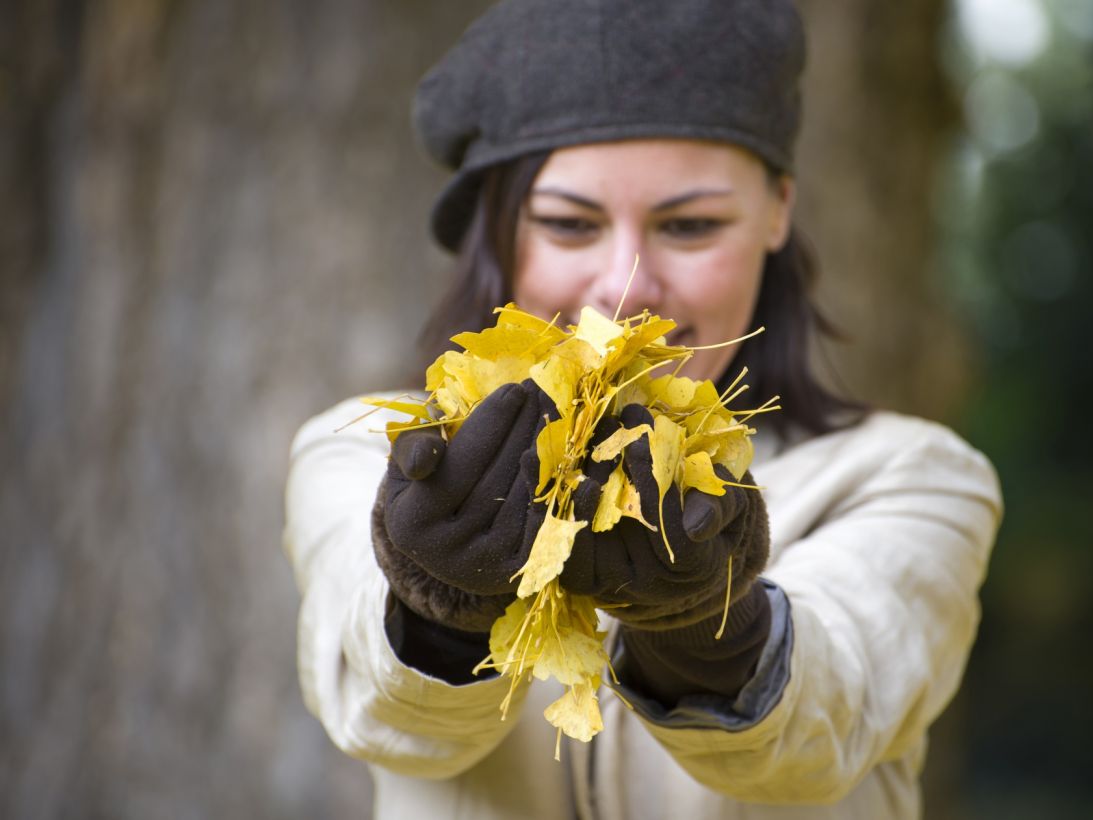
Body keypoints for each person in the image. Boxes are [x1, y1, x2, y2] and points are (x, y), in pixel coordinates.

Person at [283, 1, 1003, 817]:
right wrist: (438, 609)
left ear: (778, 211)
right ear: (499, 229)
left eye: (690, 225)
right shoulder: (366, 453)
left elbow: (822, 732)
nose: (626, 288)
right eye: (569, 225)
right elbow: (386, 721)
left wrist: (708, 629)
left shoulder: (914, 476)